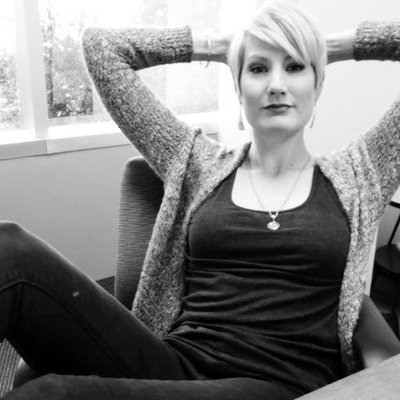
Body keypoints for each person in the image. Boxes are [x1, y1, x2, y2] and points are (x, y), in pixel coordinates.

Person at [1, 0, 400, 398]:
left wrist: (329, 47)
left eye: (295, 67)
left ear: (318, 85)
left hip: (279, 383)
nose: (276, 84)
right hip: (174, 364)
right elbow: (103, 51)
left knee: (51, 393)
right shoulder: (198, 163)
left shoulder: (360, 174)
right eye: (258, 68)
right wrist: (218, 46)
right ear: (238, 88)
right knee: (9, 248)